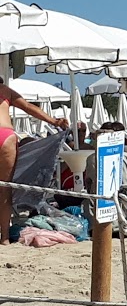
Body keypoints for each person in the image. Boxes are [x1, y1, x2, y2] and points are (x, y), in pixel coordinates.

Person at [0, 76, 73, 244]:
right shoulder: (4, 90)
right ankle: (4, 237)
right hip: (6, 136)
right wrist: (54, 121)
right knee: (5, 189)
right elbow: (28, 107)